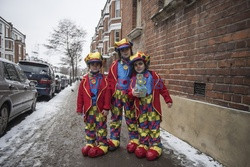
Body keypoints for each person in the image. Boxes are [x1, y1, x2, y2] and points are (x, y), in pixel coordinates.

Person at [128, 51, 173, 161]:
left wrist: (168, 99)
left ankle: (155, 146)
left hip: (152, 106)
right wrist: (132, 93)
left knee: (153, 126)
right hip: (141, 106)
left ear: (145, 64)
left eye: (140, 64)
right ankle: (144, 144)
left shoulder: (154, 75)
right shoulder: (134, 78)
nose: (138, 66)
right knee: (142, 126)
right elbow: (129, 91)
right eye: (135, 65)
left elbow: (162, 88)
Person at [106, 38, 139, 153]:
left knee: (131, 117)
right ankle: (114, 139)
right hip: (117, 95)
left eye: (126, 49)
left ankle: (134, 140)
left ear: (130, 49)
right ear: (119, 52)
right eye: (122, 50)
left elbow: (140, 76)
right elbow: (110, 80)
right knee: (115, 117)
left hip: (129, 95)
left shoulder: (135, 62)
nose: (125, 51)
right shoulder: (115, 64)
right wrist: (110, 95)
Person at [76, 52, 110, 158]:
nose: (95, 66)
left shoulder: (104, 79)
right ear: (89, 66)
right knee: (89, 126)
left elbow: (107, 95)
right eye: (92, 64)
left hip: (100, 109)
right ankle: (90, 142)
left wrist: (106, 108)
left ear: (100, 66)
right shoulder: (84, 80)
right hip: (89, 109)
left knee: (101, 126)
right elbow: (80, 95)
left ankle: (102, 144)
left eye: (97, 64)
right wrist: (79, 108)